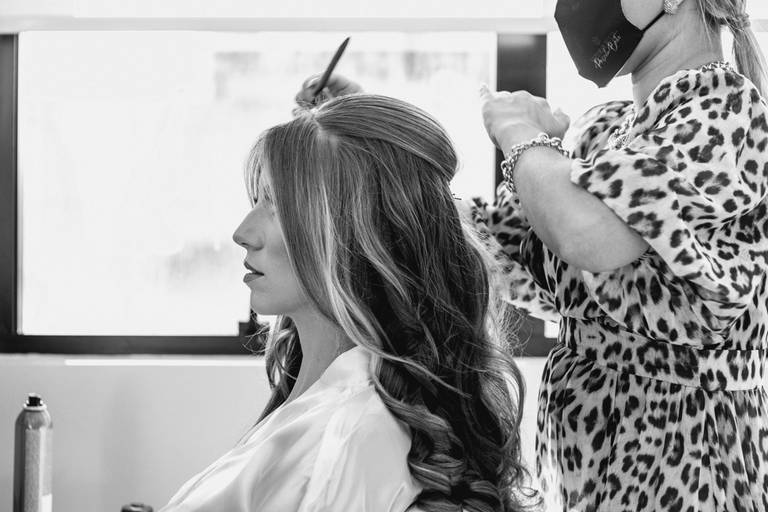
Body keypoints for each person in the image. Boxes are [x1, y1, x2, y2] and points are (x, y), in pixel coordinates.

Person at [296, 0, 768, 510]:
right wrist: (366, 144)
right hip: (586, 462)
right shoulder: (606, 131)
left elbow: (586, 233)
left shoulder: (726, 109)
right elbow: (487, 249)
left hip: (686, 460)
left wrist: (519, 132)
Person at [158, 94, 534, 512]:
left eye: (277, 205)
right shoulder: (324, 413)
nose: (243, 233)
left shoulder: (343, 441)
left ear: (354, 234)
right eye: (257, 202)